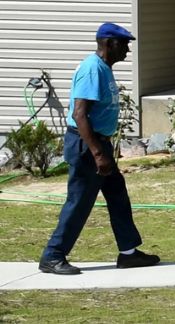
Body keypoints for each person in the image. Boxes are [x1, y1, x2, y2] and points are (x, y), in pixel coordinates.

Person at [39, 23, 160, 275]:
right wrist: (97, 153)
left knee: (117, 193)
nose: (127, 50)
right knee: (79, 202)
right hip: (86, 146)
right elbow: (79, 114)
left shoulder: (104, 69)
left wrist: (103, 148)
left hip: (97, 143)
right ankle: (52, 255)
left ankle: (128, 253)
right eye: (124, 44)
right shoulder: (92, 69)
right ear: (108, 43)